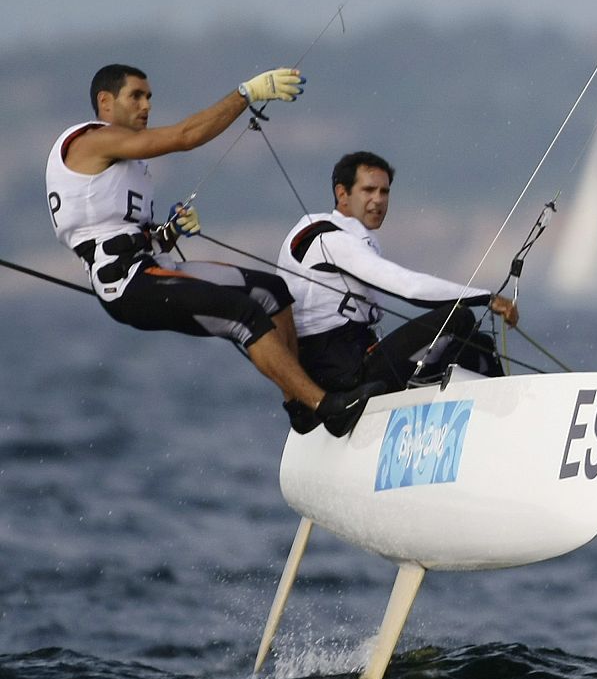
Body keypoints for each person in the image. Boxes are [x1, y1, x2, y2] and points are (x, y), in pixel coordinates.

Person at [45, 63, 375, 437]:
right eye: (135, 96)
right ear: (106, 102)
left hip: (147, 268)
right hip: (125, 285)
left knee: (272, 291)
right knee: (244, 315)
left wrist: (170, 232)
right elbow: (185, 136)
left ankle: (301, 406)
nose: (146, 105)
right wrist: (246, 94)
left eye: (149, 97)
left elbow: (126, 235)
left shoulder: (123, 163)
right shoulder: (93, 141)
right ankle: (327, 407)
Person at [275, 151, 519, 419]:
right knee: (459, 319)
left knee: (478, 344)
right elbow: (410, 288)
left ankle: (487, 413)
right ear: (342, 194)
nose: (378, 200)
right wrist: (486, 298)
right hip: (345, 380)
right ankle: (501, 416)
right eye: (368, 190)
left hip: (336, 371)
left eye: (384, 192)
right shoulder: (333, 240)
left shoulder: (318, 230)